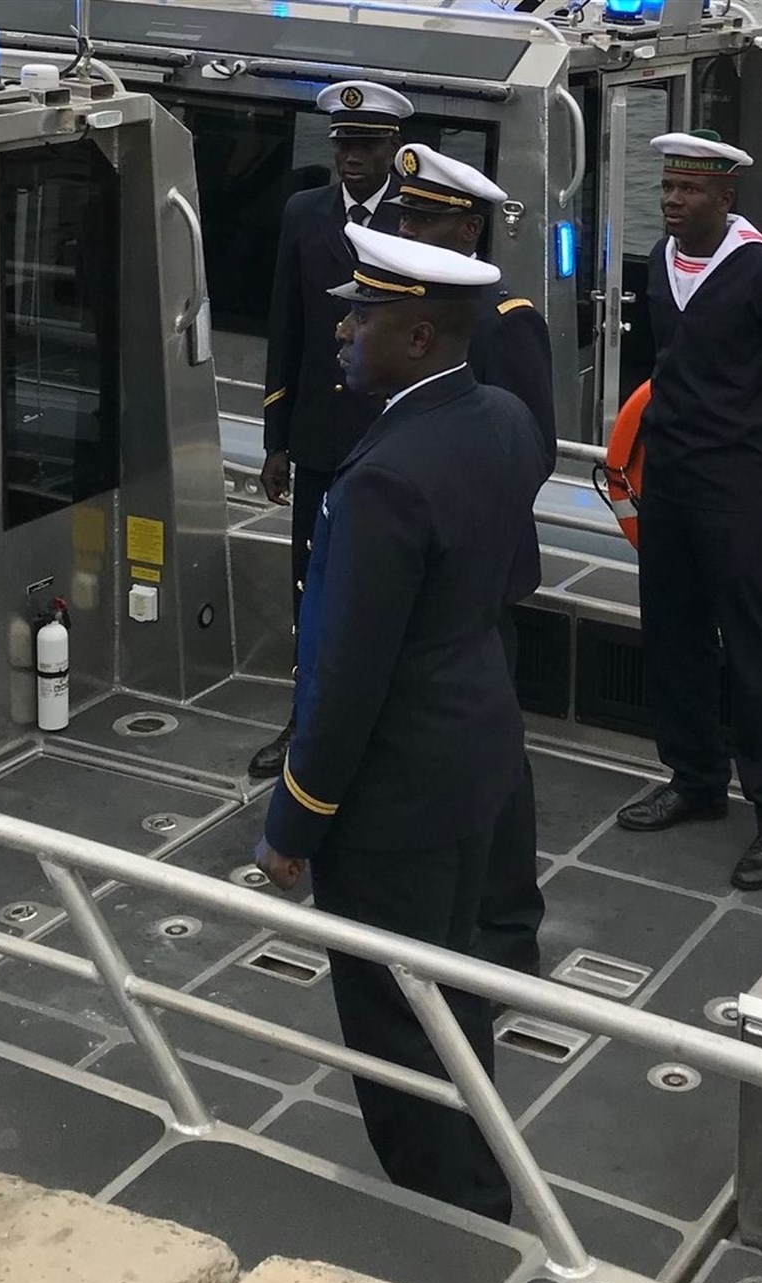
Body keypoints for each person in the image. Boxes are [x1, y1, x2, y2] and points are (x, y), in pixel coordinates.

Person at [252, 226, 548, 1221]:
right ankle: (485, 1182)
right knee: (454, 993)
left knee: (395, 1031)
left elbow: (347, 677)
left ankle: (457, 1229)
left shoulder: (382, 479)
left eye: (363, 317)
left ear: (418, 338)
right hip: (477, 760)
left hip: (396, 800)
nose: (341, 331)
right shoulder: (503, 418)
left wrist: (294, 821)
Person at [611, 132, 762, 892]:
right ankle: (696, 779)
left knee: (752, 645)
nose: (673, 201)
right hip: (670, 481)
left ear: (725, 197)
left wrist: (760, 435)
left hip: (739, 487)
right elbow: (656, 366)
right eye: (667, 188)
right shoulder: (660, 264)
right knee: (673, 634)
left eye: (689, 191)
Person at [392, 144, 556, 975]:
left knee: (495, 756)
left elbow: (531, 450)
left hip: (478, 579)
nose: (406, 230)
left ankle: (508, 928)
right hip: (411, 573)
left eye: (423, 219)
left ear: (468, 230)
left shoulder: (503, 322)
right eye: (404, 216)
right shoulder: (400, 316)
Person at [249, 79, 414, 780]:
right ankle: (304, 719)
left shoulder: (418, 219)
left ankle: (385, 727)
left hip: (390, 441)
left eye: (367, 144)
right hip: (319, 436)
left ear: (393, 147)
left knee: (385, 587)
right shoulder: (303, 212)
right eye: (344, 142)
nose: (351, 157)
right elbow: (286, 323)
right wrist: (276, 439)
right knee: (309, 587)